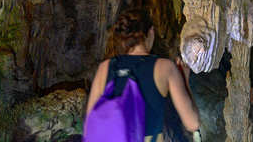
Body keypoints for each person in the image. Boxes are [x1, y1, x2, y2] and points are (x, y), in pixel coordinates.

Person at [85, 9, 200, 141]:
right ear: (150, 31)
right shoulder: (165, 67)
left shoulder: (105, 67)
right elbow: (192, 123)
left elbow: (90, 123)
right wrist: (185, 81)